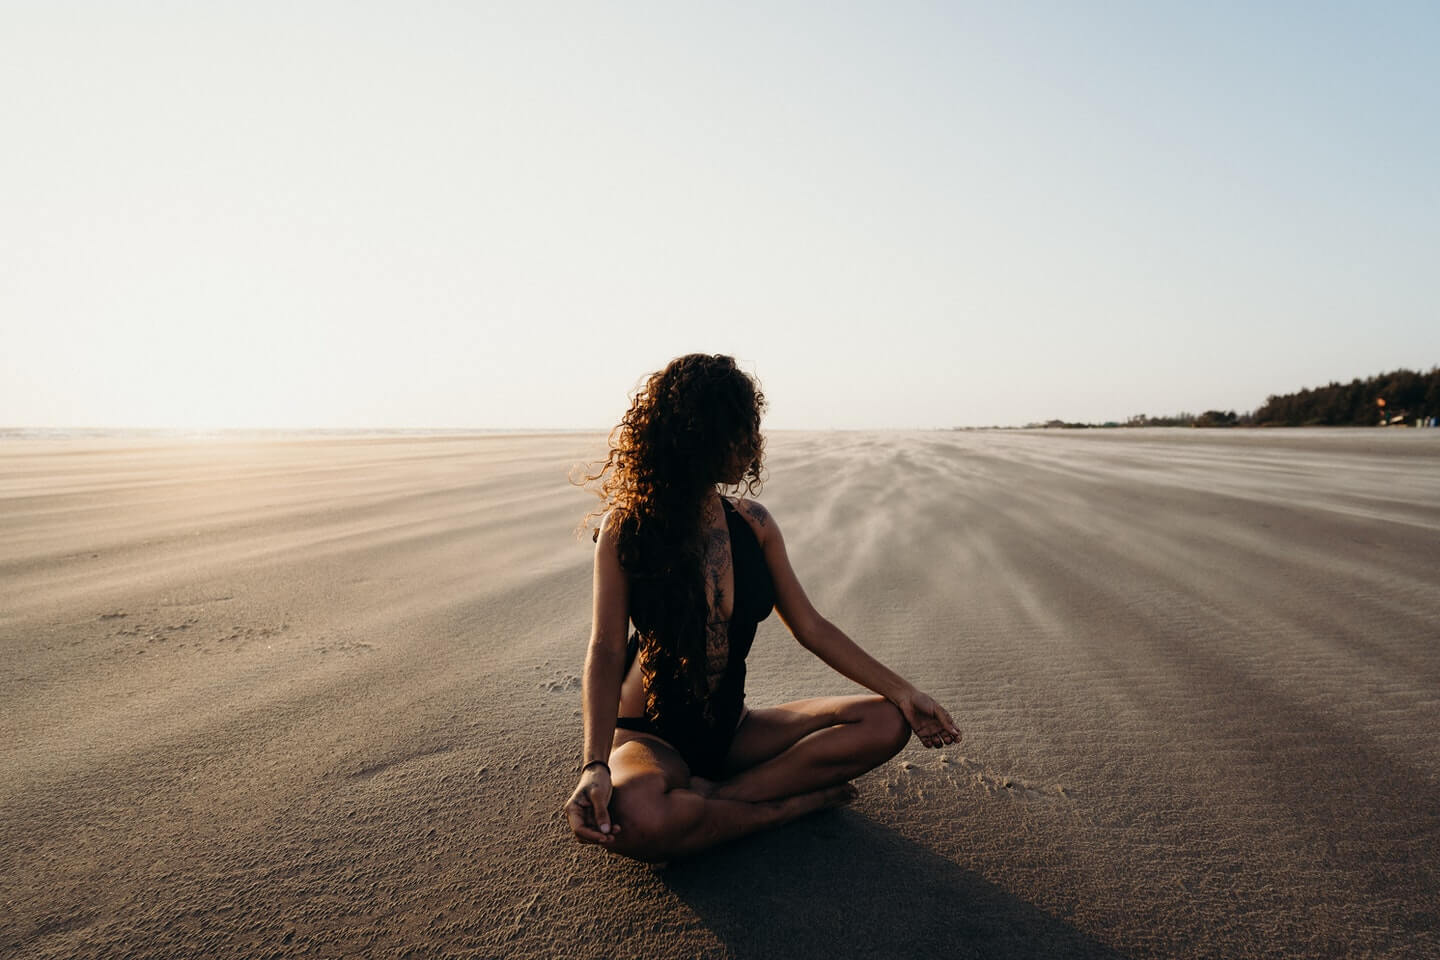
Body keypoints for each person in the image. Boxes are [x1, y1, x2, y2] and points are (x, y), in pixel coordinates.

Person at [563, 354, 960, 863]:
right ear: (696, 434)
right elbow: (604, 647)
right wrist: (595, 766)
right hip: (651, 739)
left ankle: (715, 802)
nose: (751, 445)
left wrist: (904, 693)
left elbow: (811, 626)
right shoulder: (628, 529)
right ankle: (784, 808)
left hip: (734, 731)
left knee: (886, 723)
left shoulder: (755, 525)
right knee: (633, 817)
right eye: (738, 430)